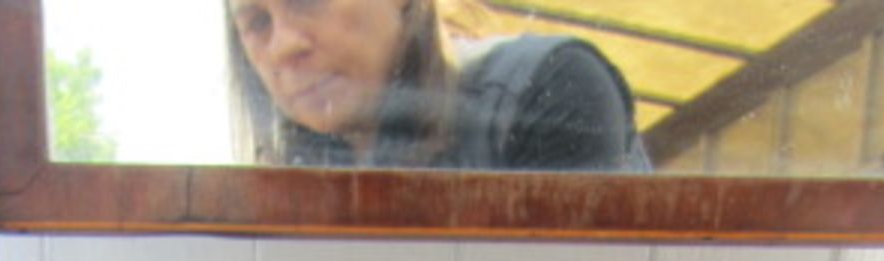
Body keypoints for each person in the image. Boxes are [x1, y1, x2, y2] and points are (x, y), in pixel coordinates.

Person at [226, 0, 650, 172]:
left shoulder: (543, 89)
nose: (283, 46)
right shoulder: (286, 192)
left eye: (308, 1)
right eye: (257, 23)